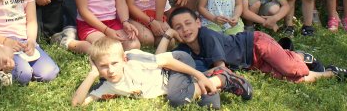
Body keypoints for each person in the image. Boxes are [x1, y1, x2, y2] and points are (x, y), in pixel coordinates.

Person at [161, 7, 347, 82]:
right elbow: (160, 59)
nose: (184, 30)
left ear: (198, 22)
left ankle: (298, 56)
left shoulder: (206, 35)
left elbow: (221, 70)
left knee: (291, 67)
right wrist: (166, 36)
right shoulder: (185, 49)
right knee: (293, 78)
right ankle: (332, 73)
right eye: (178, 27)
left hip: (255, 43)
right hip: (251, 63)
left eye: (188, 23)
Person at [72, 36, 249, 107]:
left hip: (175, 63)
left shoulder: (133, 60)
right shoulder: (107, 86)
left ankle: (221, 77)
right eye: (103, 66)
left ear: (123, 60)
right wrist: (92, 74)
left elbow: (167, 61)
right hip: (173, 79)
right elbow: (77, 103)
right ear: (96, 65)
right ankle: (213, 85)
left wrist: (199, 75)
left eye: (114, 63)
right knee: (210, 105)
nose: (110, 70)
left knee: (176, 98)